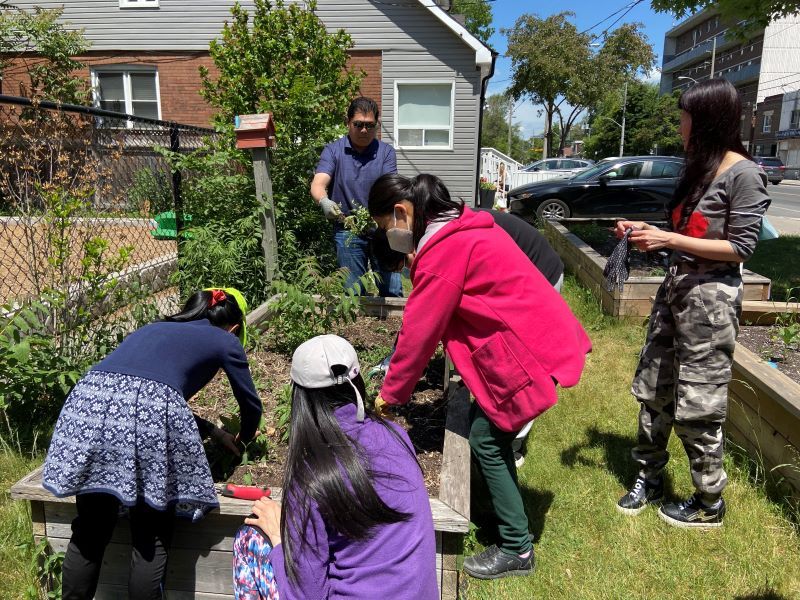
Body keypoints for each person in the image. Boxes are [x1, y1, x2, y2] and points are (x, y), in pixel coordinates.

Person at [367, 173, 591, 580]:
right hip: (536, 333)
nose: (390, 237)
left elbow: (418, 335)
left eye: (387, 228)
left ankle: (517, 549)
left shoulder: (443, 253)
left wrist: (390, 395)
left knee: (486, 438)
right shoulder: (461, 226)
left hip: (524, 348)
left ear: (402, 214)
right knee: (489, 433)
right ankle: (504, 516)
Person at [614, 78, 770, 528]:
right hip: (675, 291)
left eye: (686, 117)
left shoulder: (745, 174)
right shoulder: (700, 167)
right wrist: (647, 233)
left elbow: (741, 248)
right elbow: (690, 238)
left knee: (699, 401)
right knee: (654, 388)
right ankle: (649, 477)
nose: (680, 125)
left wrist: (668, 238)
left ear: (708, 120)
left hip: (710, 305)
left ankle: (708, 501)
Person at [42, 288, 263, 600]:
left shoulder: (152, 328)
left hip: (86, 405)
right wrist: (248, 437)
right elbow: (250, 405)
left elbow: (141, 394)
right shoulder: (226, 339)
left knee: (91, 528)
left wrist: (212, 430)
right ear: (235, 328)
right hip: (144, 418)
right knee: (150, 534)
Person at [232, 334, 437, 600]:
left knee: (250, 540)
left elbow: (304, 594)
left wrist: (278, 539)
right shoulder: (396, 434)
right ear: (357, 381)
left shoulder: (313, 473)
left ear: (299, 396)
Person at [370, 209, 565, 468]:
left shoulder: (440, 245)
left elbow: (427, 324)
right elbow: (423, 319)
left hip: (539, 273)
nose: (408, 270)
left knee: (522, 368)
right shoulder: (429, 233)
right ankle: (497, 437)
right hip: (512, 272)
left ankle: (510, 444)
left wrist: (397, 382)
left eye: (404, 264)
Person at [310, 96, 402, 297]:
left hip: (382, 229)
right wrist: (324, 200)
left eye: (370, 126)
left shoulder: (385, 152)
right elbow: (318, 183)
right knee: (353, 291)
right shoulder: (333, 151)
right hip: (347, 230)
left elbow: (390, 187)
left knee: (392, 289)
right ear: (347, 122)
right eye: (358, 124)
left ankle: (397, 327)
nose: (364, 130)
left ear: (377, 125)